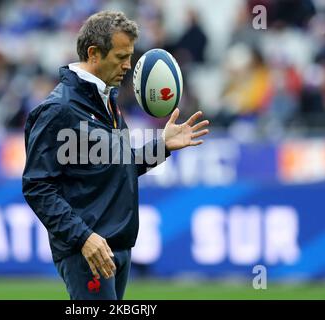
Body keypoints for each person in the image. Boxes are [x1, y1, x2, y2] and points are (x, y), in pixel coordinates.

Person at [22, 10, 209, 300]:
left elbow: (116, 166)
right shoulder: (60, 109)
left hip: (116, 245)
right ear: (94, 54)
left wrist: (162, 146)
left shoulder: (106, 99)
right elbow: (37, 186)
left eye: (130, 56)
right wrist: (83, 237)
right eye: (121, 57)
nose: (128, 66)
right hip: (88, 250)